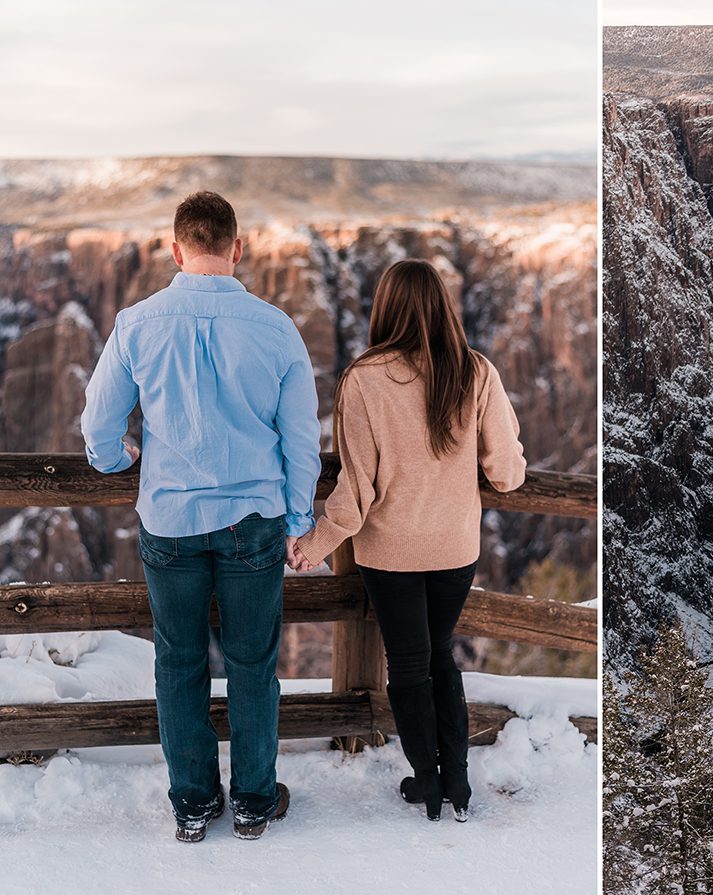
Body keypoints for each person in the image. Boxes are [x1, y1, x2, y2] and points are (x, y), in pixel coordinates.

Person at [81, 191, 321, 843]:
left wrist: (115, 458)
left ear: (176, 247)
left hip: (171, 520)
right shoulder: (276, 328)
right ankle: (253, 799)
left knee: (178, 660)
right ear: (236, 248)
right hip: (255, 521)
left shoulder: (138, 322)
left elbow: (98, 424)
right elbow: (302, 438)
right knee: (252, 662)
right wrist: (300, 518)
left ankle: (192, 801)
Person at [293, 258, 525, 823]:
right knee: (440, 655)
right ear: (444, 307)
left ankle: (427, 782)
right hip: (454, 549)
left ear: (386, 308)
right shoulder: (476, 372)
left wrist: (317, 541)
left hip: (390, 553)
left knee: (409, 664)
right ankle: (460, 784)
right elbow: (507, 472)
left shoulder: (364, 379)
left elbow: (358, 483)